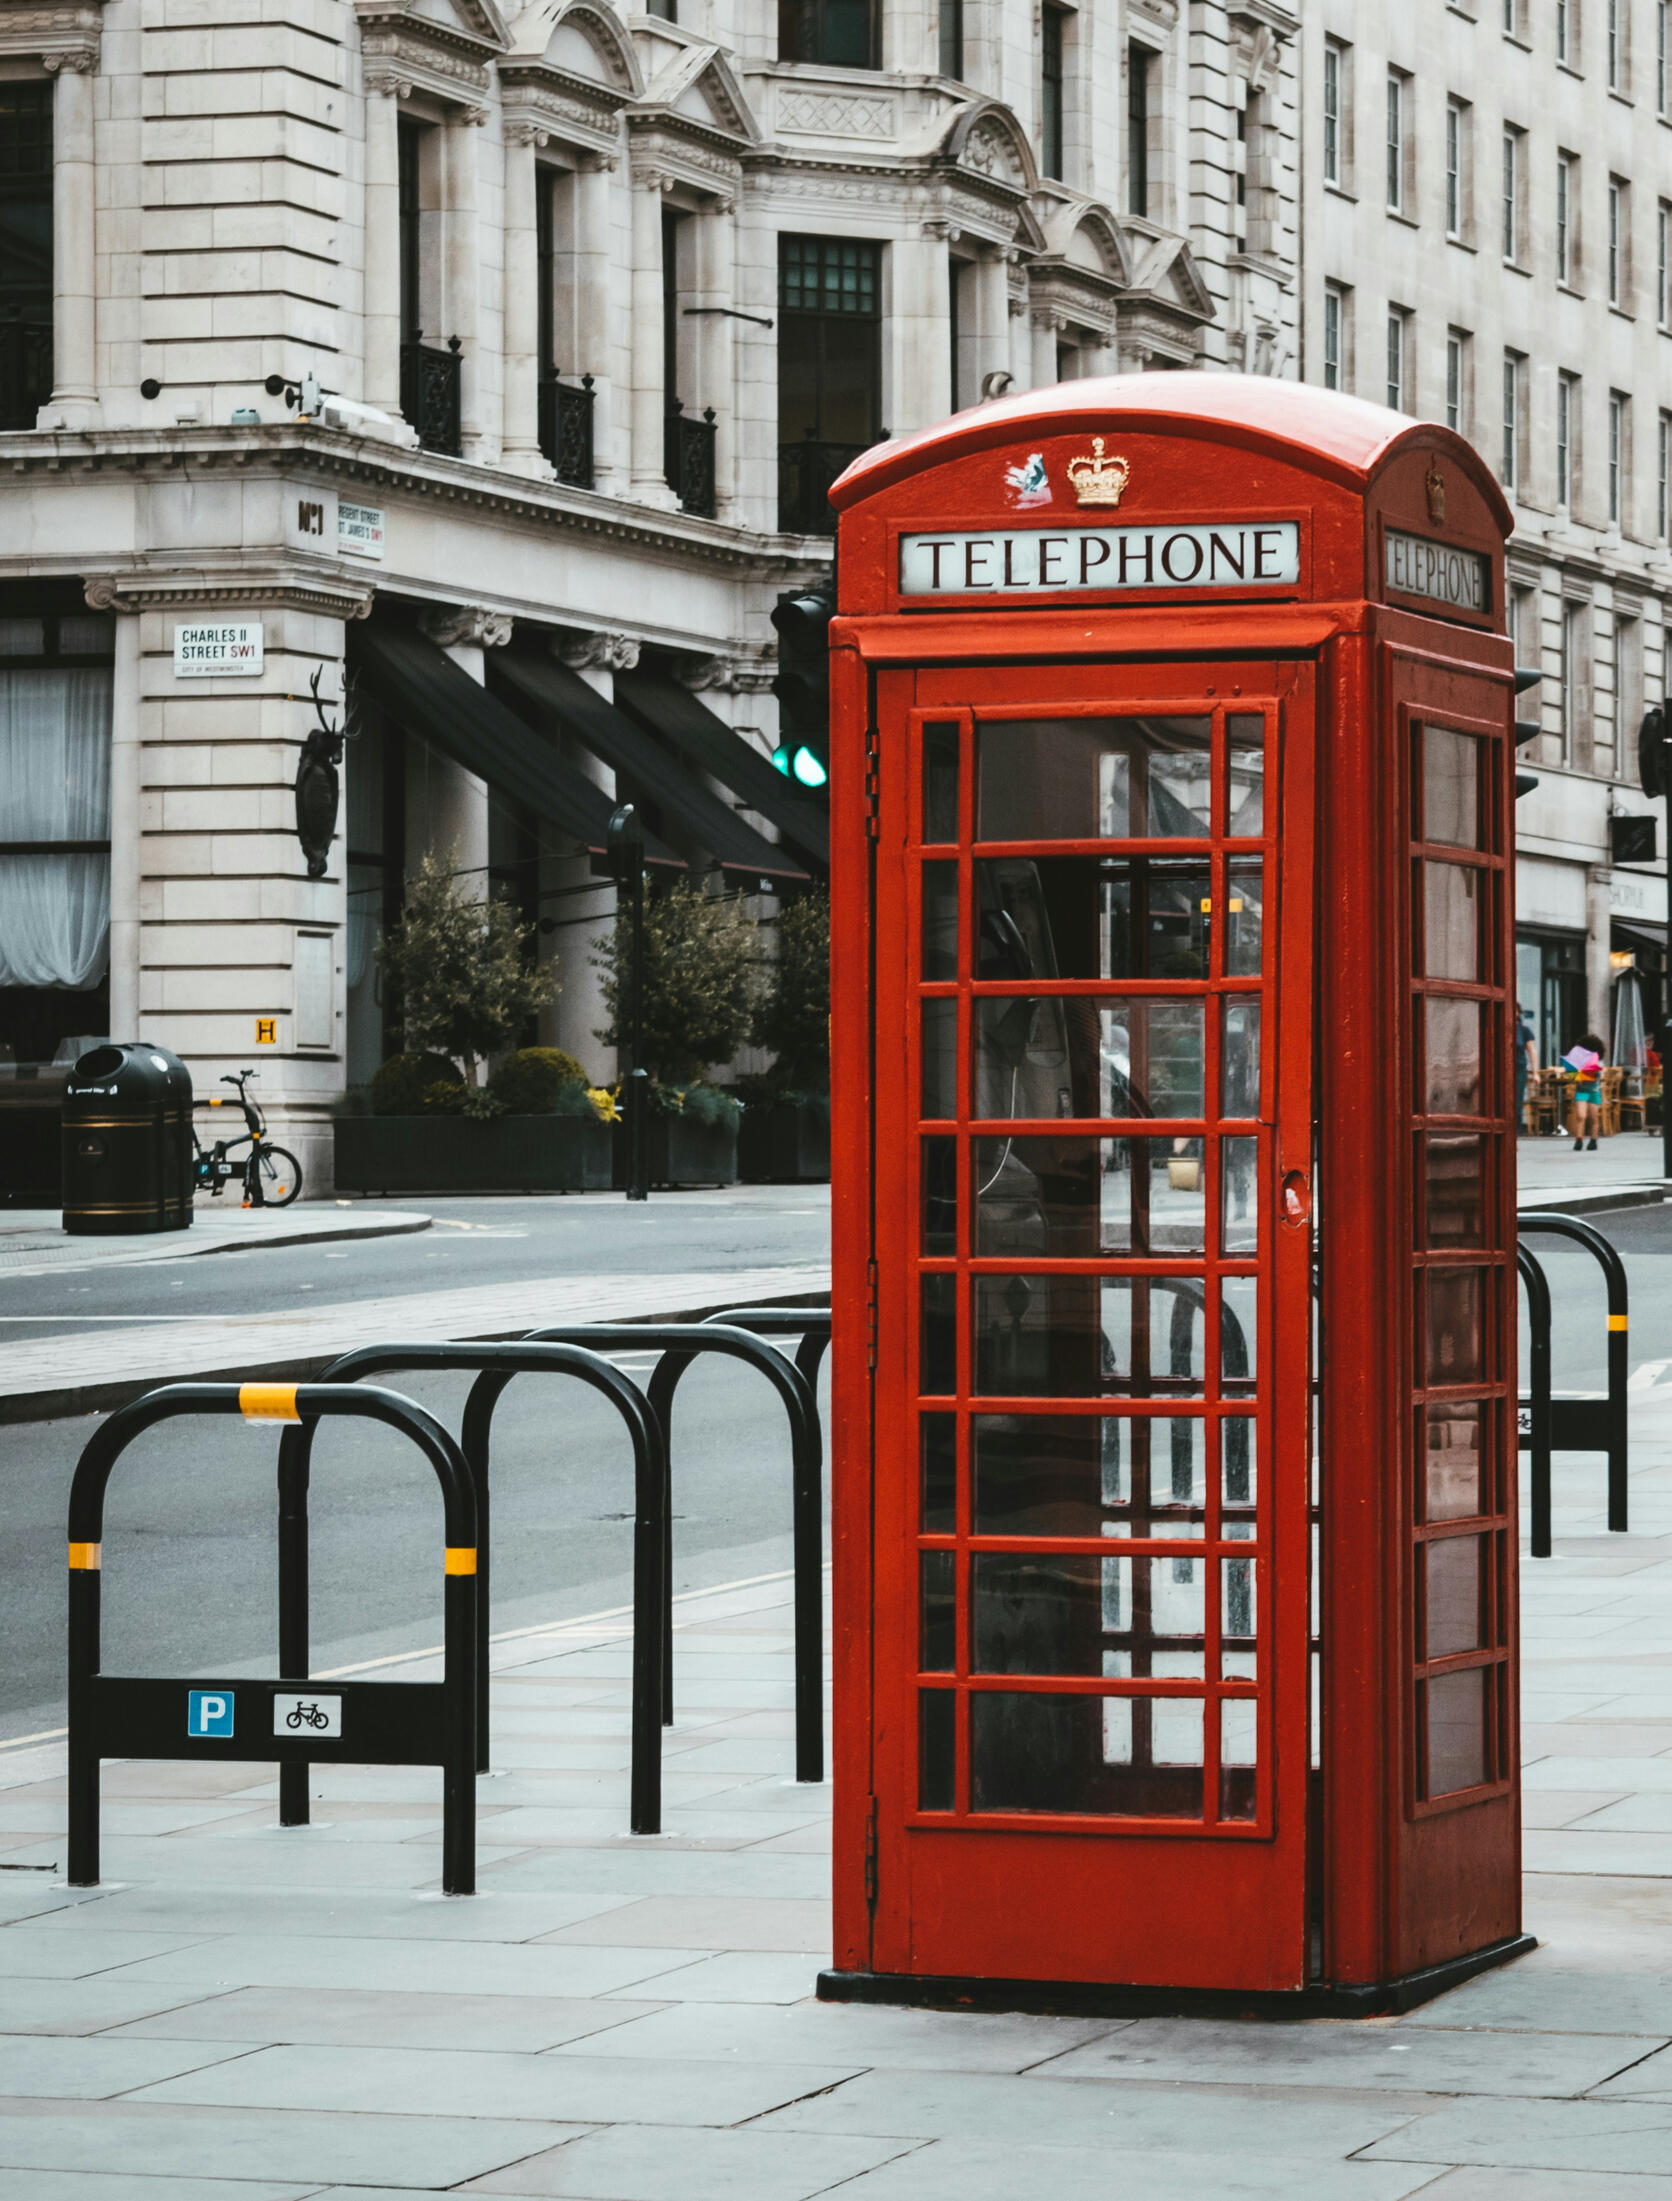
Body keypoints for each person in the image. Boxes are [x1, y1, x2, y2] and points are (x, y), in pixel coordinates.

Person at [1571, 1032, 1605, 1151]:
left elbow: (1599, 1076)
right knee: (1581, 1115)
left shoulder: (1599, 1062)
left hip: (1594, 1091)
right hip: (1581, 1091)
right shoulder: (1578, 1063)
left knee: (1594, 1117)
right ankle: (1579, 1139)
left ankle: (1593, 1139)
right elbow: (1573, 1076)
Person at [1514, 1004, 1536, 1134]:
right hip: (1500, 1070)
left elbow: (1532, 1051)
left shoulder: (1523, 1030)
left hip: (1518, 1069)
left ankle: (1514, 1134)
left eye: (1515, 1010)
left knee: (1517, 1101)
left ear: (1518, 1013)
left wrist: (1535, 1072)